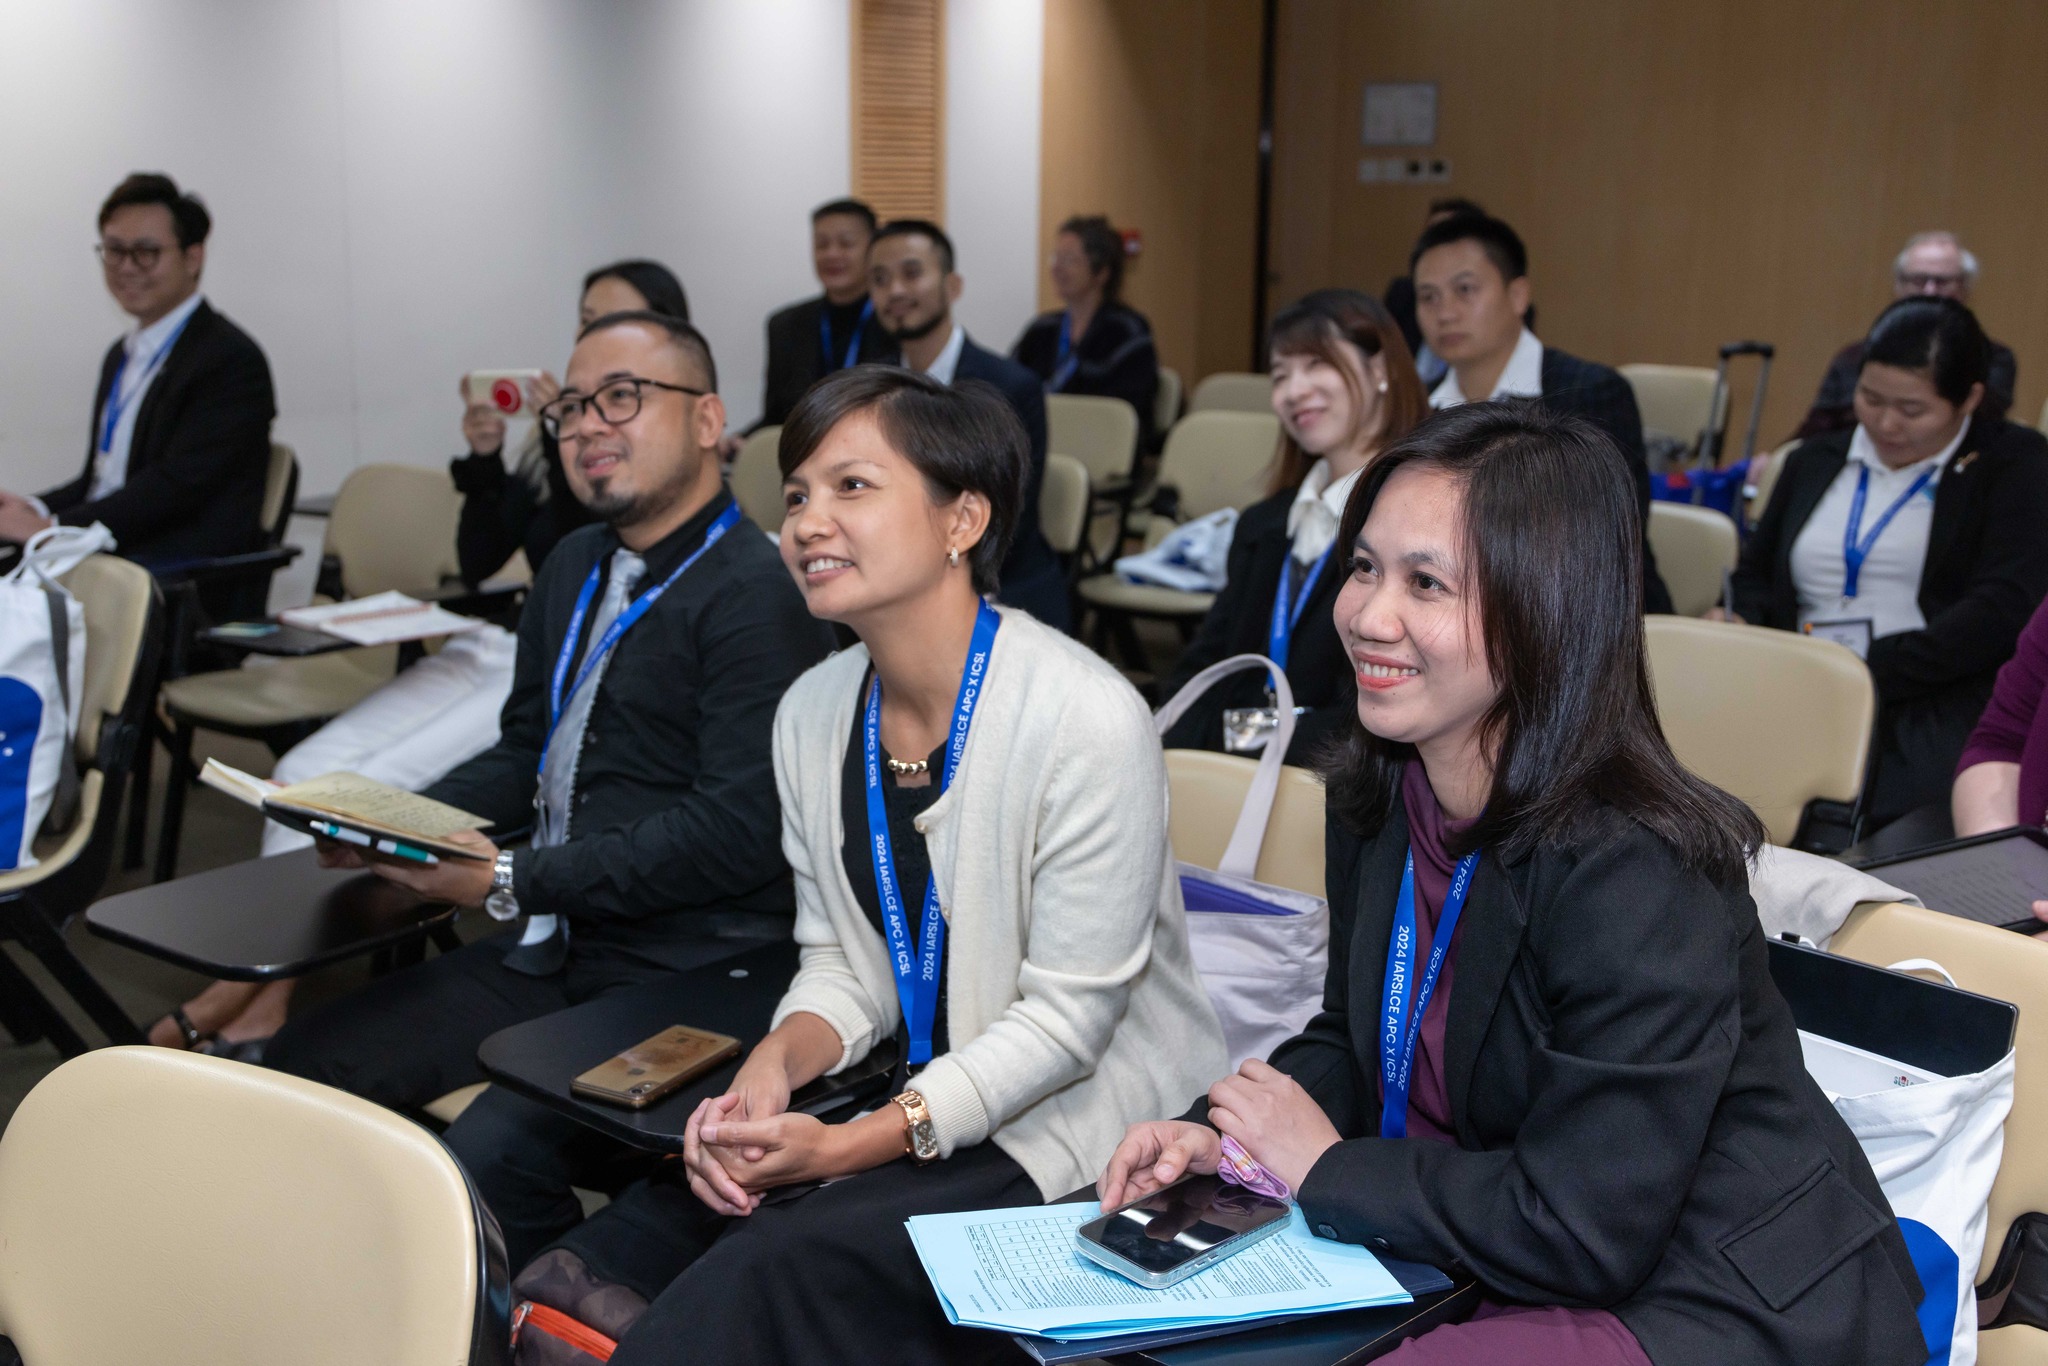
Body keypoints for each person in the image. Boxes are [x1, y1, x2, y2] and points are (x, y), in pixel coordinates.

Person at [1100, 402, 1927, 1365]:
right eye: (1364, 567)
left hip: (1704, 1285)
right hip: (1482, 1230)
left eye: (1426, 583)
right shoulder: (1378, 786)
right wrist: (1228, 1143)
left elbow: (1584, 1227)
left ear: (1546, 607)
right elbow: (1362, 1041)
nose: (1368, 614)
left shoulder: (1639, 867)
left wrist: (1323, 1167)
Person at [528, 367, 1225, 1365]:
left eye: (851, 486)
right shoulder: (812, 710)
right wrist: (771, 1066)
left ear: (962, 518)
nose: (808, 521)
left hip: (1081, 1124)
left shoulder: (1082, 716)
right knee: (615, 1245)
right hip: (912, 1088)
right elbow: (845, 962)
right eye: (797, 494)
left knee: (772, 1266)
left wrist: (850, 1145)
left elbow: (1068, 1028)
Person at [262, 310, 837, 1268]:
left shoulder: (759, 590)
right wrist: (397, 821)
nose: (585, 427)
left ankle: (540, 1316)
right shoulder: (572, 566)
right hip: (555, 945)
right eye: (570, 407)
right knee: (308, 1065)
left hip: (692, 970)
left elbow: (734, 831)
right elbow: (525, 748)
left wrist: (510, 879)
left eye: (623, 397)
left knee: (492, 1158)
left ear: (708, 422)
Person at [145, 260, 688, 1057]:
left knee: (379, 792)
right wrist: (488, 463)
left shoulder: (639, 459)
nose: (591, 339)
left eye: (615, 325)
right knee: (309, 771)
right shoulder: (561, 438)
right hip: (506, 638)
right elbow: (483, 557)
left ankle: (253, 997)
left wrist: (572, 438)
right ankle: (256, 985)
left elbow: (595, 544)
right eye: (584, 320)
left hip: (574, 658)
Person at [1723, 296, 2048, 827]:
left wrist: (1863, 670)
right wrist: (1740, 617)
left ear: (1968, 399)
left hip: (1923, 705)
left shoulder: (2013, 465)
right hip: (1789, 689)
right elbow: (1754, 576)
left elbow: (2002, 607)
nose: (1886, 423)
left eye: (1912, 409)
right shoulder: (1815, 458)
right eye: (1870, 399)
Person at [1161, 290, 1426, 763]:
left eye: (1315, 364)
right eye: (1280, 375)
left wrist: (1239, 740)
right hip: (1242, 775)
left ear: (1380, 368)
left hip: (1349, 793)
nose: (1294, 390)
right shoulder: (1264, 523)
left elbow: (1385, 711)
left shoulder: (1422, 522)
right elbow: (1206, 667)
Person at [0, 172, 276, 621]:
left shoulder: (229, 359)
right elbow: (103, 477)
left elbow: (174, 491)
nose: (126, 266)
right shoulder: (122, 354)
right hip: (116, 549)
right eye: (114, 250)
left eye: (145, 252)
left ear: (193, 257)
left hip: (180, 575)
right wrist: (31, 507)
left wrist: (52, 530)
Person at [1411, 210, 1672, 615]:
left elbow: (1606, 541)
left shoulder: (1589, 392)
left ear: (1518, 295)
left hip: (1582, 616)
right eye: (1428, 297)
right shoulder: (1419, 407)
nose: (1445, 312)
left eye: (1465, 290)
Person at [869, 217, 1070, 631]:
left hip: (1001, 579)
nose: (896, 291)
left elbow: (1010, 516)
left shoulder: (1010, 387)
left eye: (912, 273)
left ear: (953, 285)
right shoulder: (870, 387)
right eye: (880, 279)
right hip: (896, 577)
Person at [1794, 231, 2018, 440]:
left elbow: (1984, 424)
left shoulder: (1994, 358)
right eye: (1918, 280)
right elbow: (1817, 426)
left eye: (1942, 282)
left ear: (1965, 288)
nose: (1930, 291)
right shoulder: (1854, 355)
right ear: (1898, 286)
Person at [1010, 214, 1159, 455]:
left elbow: (1125, 409)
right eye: (1055, 257)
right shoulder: (1042, 328)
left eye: (1070, 260)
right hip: (1040, 445)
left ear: (1101, 272)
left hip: (1100, 450)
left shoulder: (1128, 331)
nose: (1057, 267)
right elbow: (1009, 383)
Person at [754, 198, 895, 431]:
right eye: (822, 244)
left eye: (846, 243)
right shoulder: (785, 325)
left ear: (873, 248)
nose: (832, 254)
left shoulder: (895, 321)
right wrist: (742, 441)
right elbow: (776, 418)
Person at [1383, 196, 1485, 386]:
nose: (1445, 314)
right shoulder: (1403, 295)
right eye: (1431, 237)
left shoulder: (1500, 306)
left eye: (1448, 237)